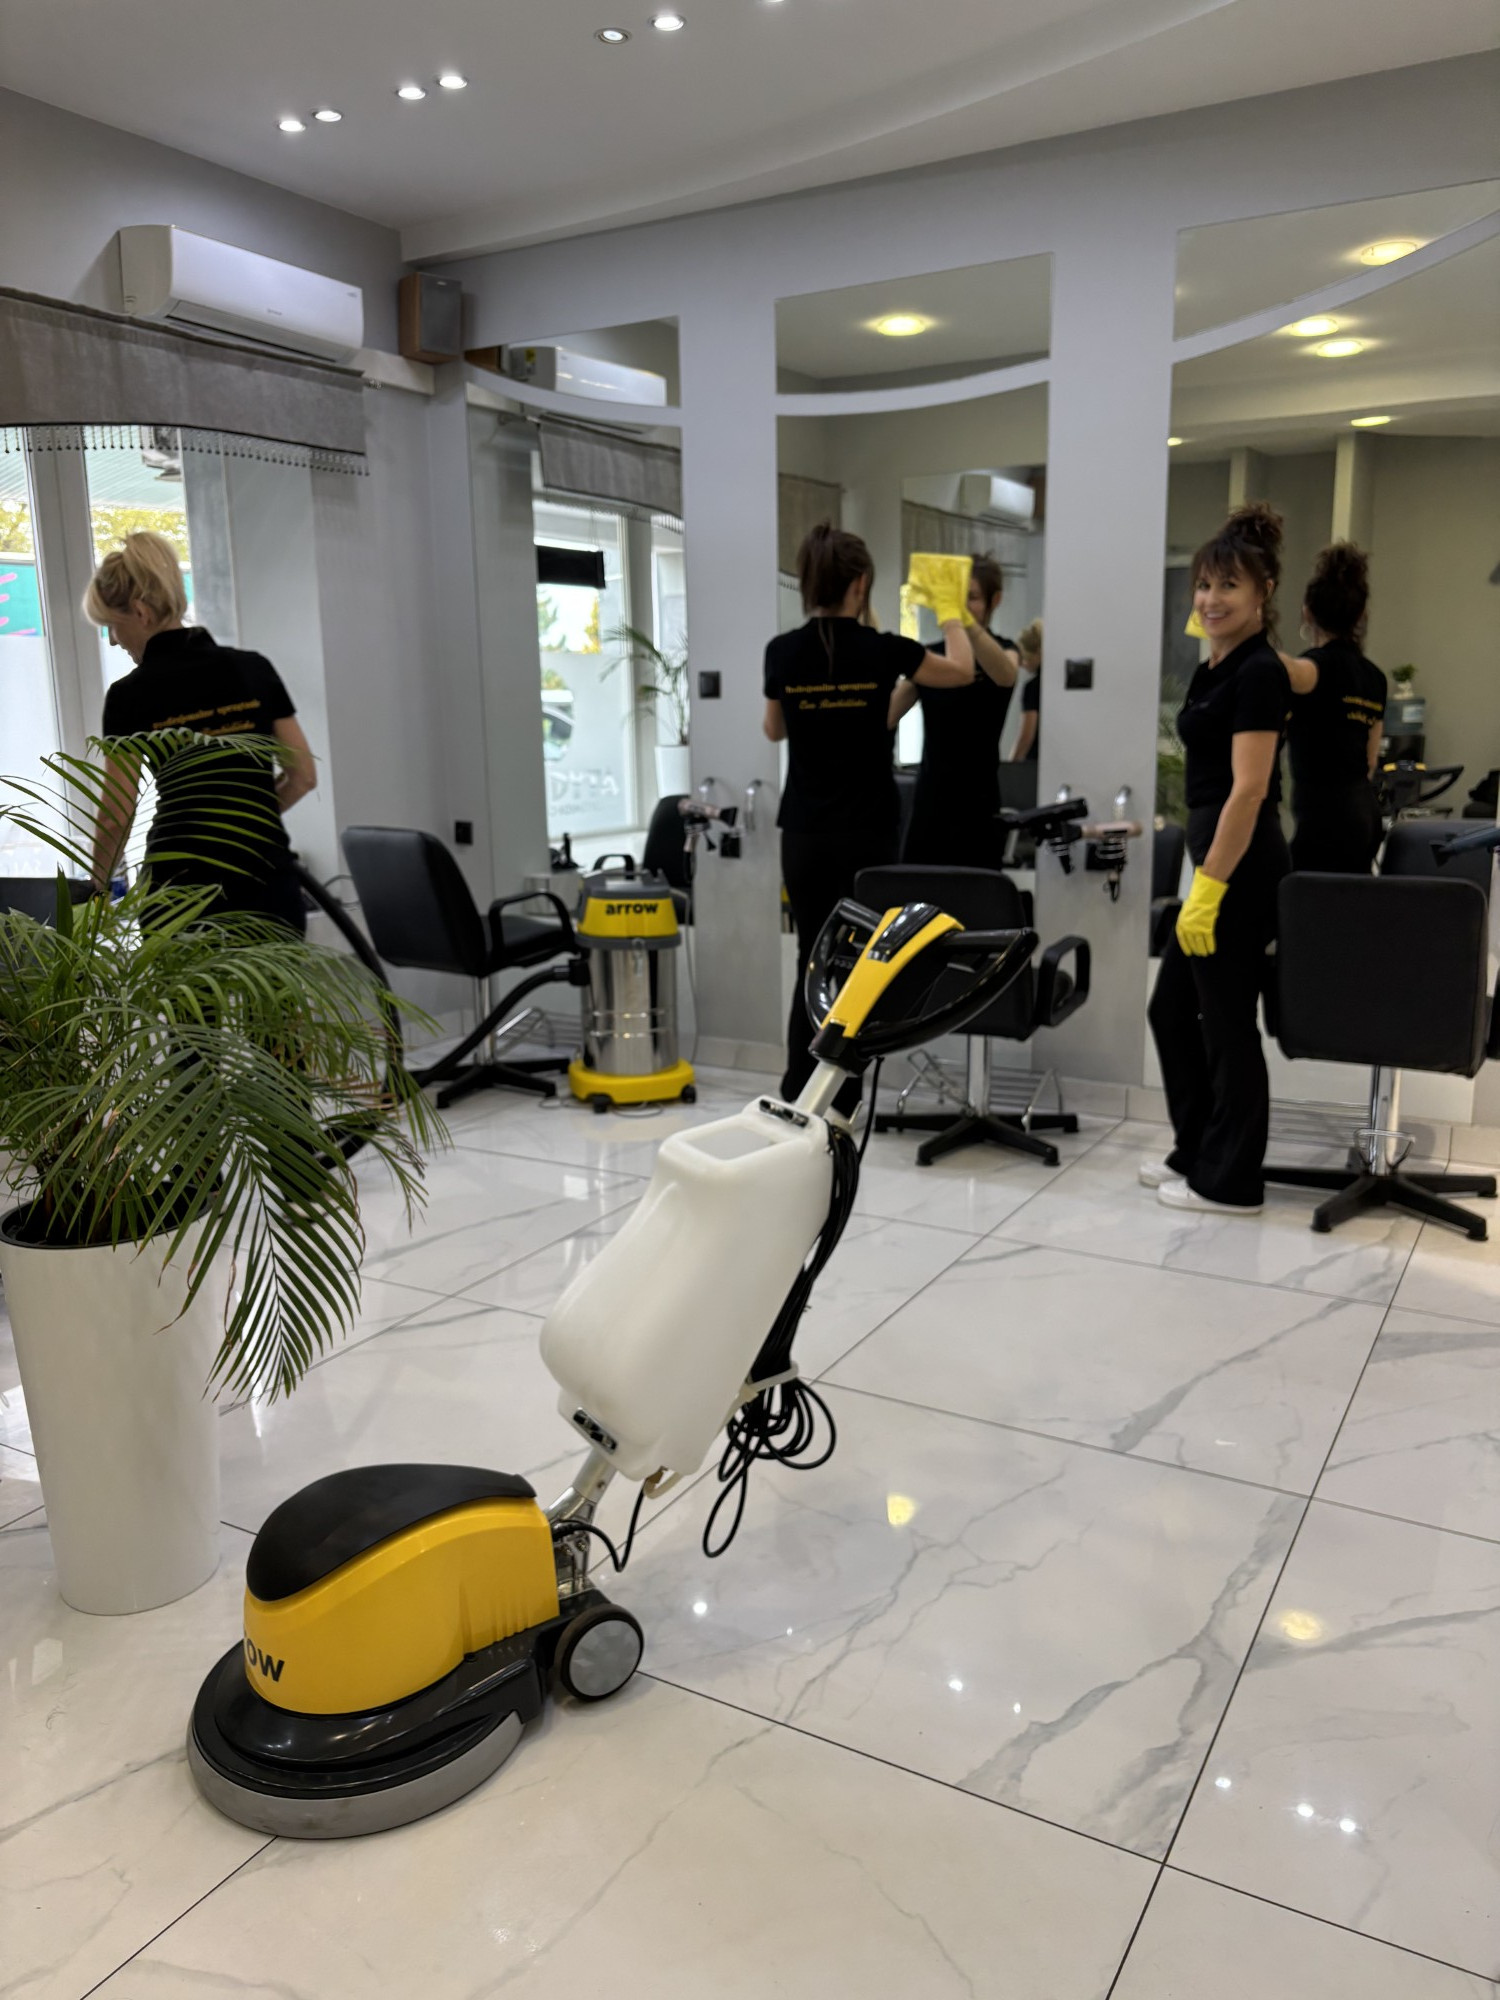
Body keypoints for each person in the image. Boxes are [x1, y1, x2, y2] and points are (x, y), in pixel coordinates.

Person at [764, 523, 975, 1114]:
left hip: (804, 833)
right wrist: (949, 611)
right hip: (868, 832)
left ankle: (798, 1087)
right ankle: (845, 1095)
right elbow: (962, 671)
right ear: (861, 584)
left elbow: (773, 729)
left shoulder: (782, 651)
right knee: (861, 961)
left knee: (811, 957)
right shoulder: (884, 651)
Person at [1145, 503, 1291, 1215]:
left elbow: (1250, 790)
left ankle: (1231, 1180)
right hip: (1213, 861)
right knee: (1171, 1009)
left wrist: (1209, 887)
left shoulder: (1260, 671)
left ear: (1264, 594)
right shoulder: (1216, 667)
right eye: (1204, 585)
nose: (1210, 599)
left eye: (1229, 586)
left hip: (1240, 867)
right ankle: (1199, 1149)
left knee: (1227, 1023)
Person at [84, 531, 317, 931]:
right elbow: (303, 776)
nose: (112, 641)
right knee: (273, 977)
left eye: (112, 626)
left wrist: (96, 890)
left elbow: (115, 816)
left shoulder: (129, 695)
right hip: (267, 885)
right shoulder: (253, 668)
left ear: (140, 613)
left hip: (181, 896)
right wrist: (245, 823)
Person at [889, 554, 1019, 866]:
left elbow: (1006, 674)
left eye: (971, 598)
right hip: (931, 803)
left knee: (978, 891)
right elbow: (888, 714)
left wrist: (961, 622)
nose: (962, 606)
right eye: (956, 598)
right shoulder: (931, 656)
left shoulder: (1005, 650)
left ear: (994, 600)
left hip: (979, 803)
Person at [1279, 543, 1386, 872]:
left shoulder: (1309, 670)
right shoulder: (1375, 678)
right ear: (1361, 615)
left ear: (1307, 612)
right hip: (1365, 814)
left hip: (1323, 820)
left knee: (1304, 898)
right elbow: (1370, 761)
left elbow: (1269, 664)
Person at [1010, 619, 1042, 762]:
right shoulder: (1056, 686)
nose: (1022, 665)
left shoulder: (1033, 687)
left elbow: (1026, 736)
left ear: (1036, 653)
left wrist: (1011, 765)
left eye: (1024, 658)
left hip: (1034, 763)